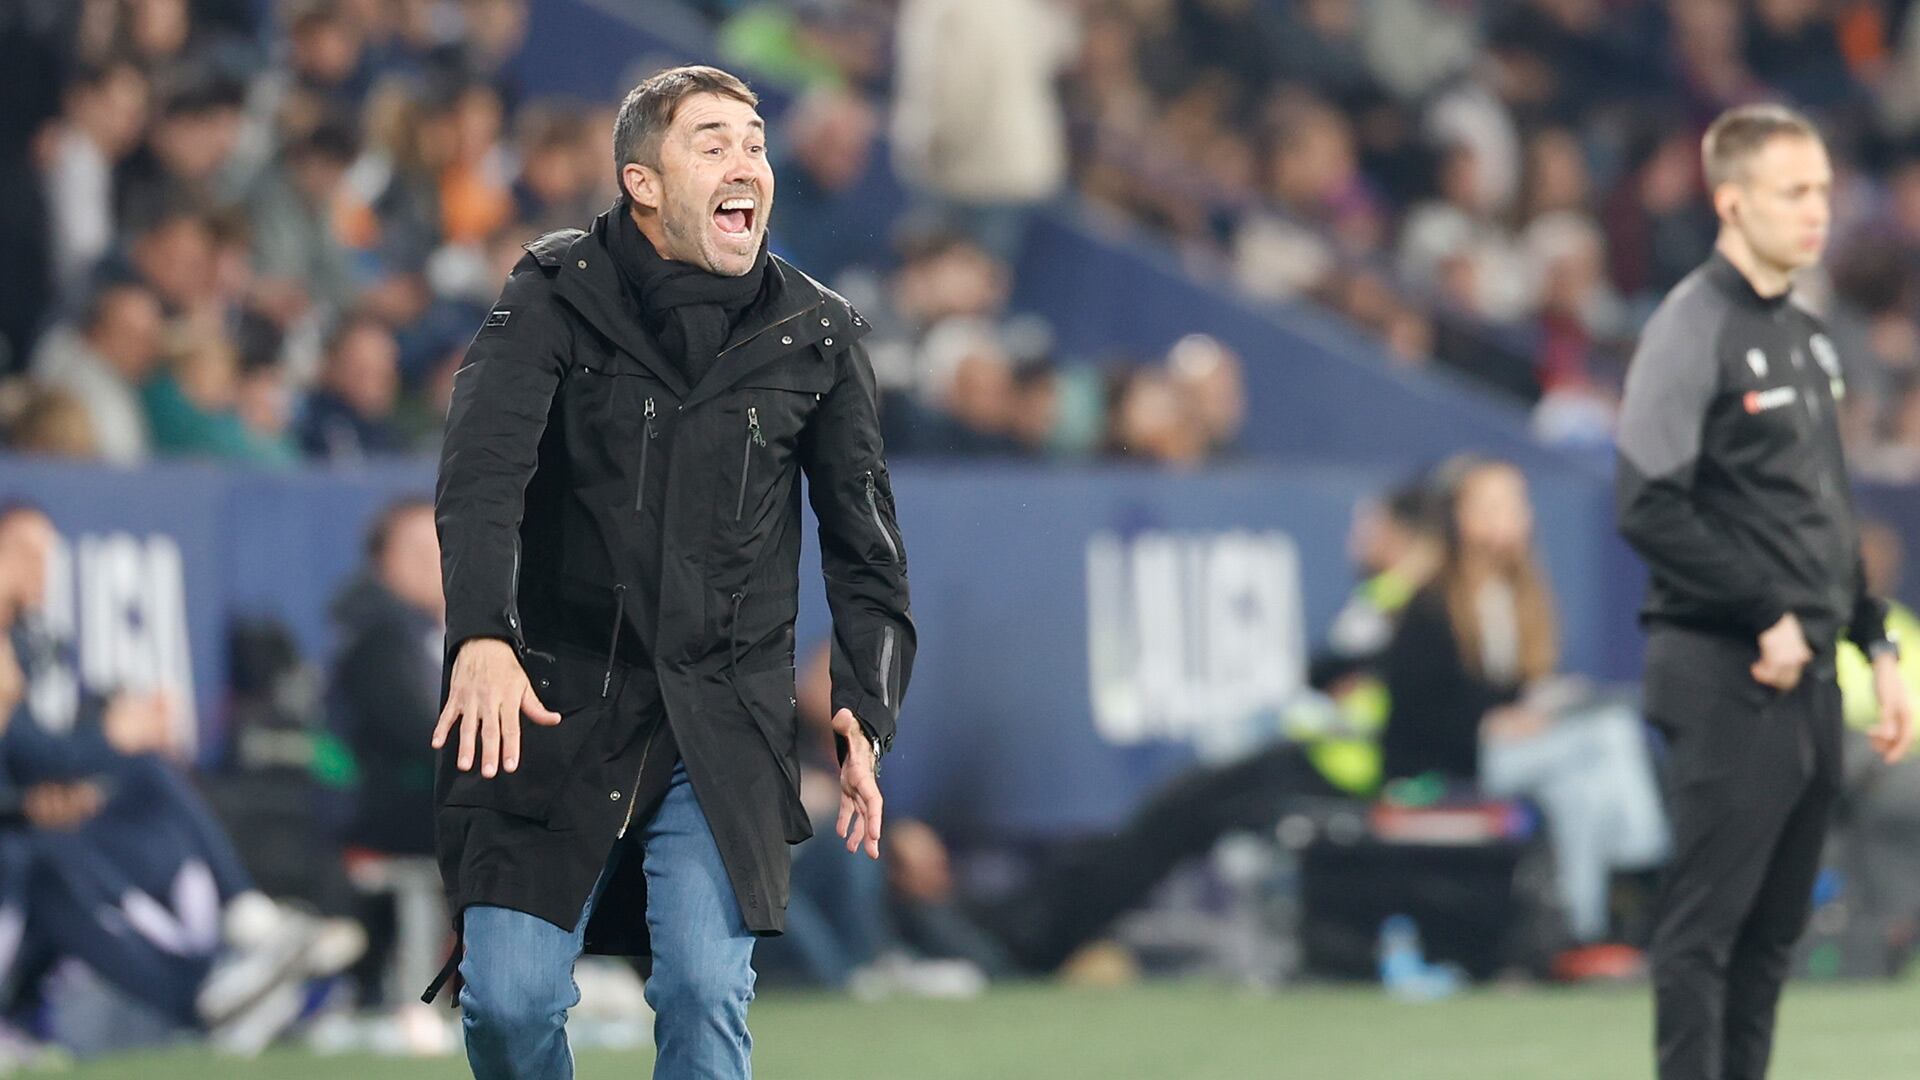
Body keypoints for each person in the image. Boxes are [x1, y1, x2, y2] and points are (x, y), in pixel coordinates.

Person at [429, 65, 914, 1080]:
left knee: (703, 991)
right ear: (643, 182)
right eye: (714, 143)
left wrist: (865, 711)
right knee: (508, 1010)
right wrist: (481, 635)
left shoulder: (816, 335)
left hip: (720, 719)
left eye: (755, 142)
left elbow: (867, 548)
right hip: (554, 706)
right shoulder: (552, 296)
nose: (748, 164)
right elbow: (481, 482)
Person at [1615, 104, 1913, 1080]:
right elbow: (1648, 504)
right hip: (1725, 669)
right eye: (1794, 192)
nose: (1817, 209)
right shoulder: (1688, 327)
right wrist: (1765, 613)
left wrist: (1875, 643)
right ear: (1731, 200)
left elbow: (1824, 517)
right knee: (1705, 932)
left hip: (1811, 677)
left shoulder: (1809, 338)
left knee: (1770, 941)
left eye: (1823, 188)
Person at [1380, 457, 1668, 957]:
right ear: (1459, 519)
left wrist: (1542, 701)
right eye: (1496, 504)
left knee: (1579, 790)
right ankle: (1647, 867)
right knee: (1610, 735)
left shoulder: (1520, 594)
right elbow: (1421, 708)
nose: (1514, 515)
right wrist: (1494, 720)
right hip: (1448, 762)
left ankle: (1584, 932)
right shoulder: (1428, 601)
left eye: (1517, 503)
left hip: (1515, 753)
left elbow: (1515, 687)